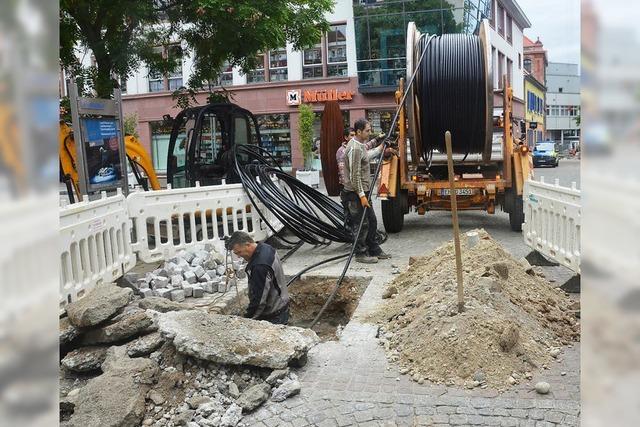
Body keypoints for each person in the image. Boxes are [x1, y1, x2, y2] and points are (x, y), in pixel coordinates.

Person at [341, 118, 391, 264]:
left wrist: (380, 148)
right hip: (355, 193)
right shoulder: (355, 148)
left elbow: (366, 157)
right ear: (359, 131)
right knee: (361, 224)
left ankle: (374, 248)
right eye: (367, 131)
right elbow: (354, 175)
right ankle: (361, 254)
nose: (369, 133)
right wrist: (362, 196)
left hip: (363, 191)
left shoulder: (360, 145)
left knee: (372, 221)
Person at [225, 231, 290, 324]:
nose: (239, 256)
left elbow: (259, 300)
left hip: (274, 315)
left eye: (239, 252)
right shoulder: (266, 248)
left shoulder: (260, 266)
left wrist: (248, 320)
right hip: (281, 306)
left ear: (248, 245)